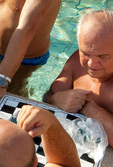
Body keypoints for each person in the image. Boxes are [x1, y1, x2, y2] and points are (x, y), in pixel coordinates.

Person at [44, 9, 113, 147]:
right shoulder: (77, 60)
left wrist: (89, 109)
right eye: (86, 53)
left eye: (103, 56)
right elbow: (49, 96)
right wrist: (55, 99)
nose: (91, 64)